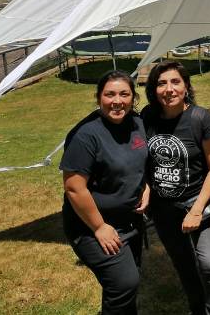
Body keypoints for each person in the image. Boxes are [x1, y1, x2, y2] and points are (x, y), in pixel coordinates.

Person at [142, 61, 210, 315]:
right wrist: (146, 187)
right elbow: (142, 160)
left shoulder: (201, 118)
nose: (168, 89)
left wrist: (197, 210)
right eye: (161, 83)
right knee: (184, 266)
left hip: (198, 204)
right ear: (153, 89)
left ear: (186, 86)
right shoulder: (147, 117)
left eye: (175, 82)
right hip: (163, 209)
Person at [60, 70, 150, 314]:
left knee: (127, 287)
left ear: (133, 98)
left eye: (124, 94)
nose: (117, 101)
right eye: (109, 94)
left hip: (130, 222)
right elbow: (74, 187)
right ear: (99, 97)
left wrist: (146, 186)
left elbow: (140, 161)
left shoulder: (138, 124)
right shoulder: (85, 134)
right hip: (91, 226)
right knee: (123, 283)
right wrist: (99, 227)